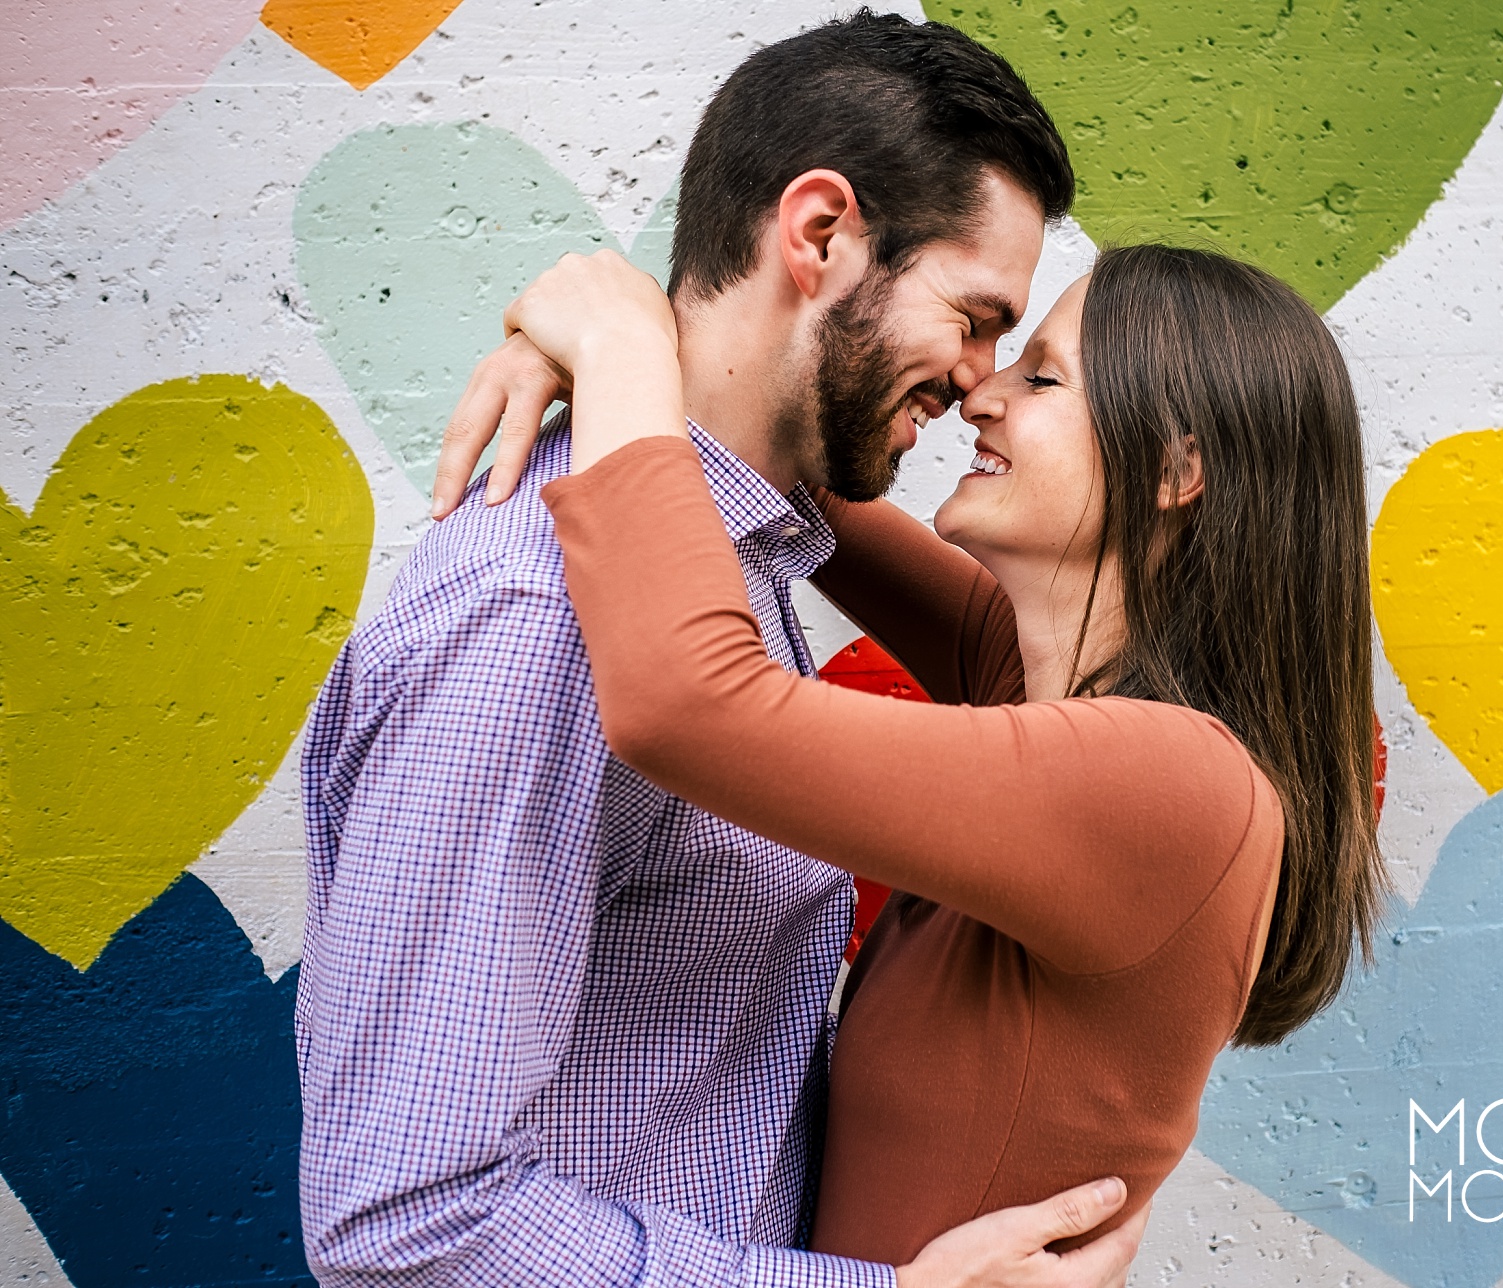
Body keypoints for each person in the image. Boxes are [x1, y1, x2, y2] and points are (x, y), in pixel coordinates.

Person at [295, 11, 1147, 1288]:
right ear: (818, 234)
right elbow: (403, 1222)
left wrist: (621, 327)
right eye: (974, 318)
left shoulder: (743, 552)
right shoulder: (537, 623)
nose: (979, 383)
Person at [436, 237, 1387, 1262]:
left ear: (1176, 467)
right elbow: (765, 440)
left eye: (1043, 375)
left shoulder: (1171, 782)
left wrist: (618, 344)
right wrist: (588, 347)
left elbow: (689, 702)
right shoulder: (1025, 679)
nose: (983, 391)